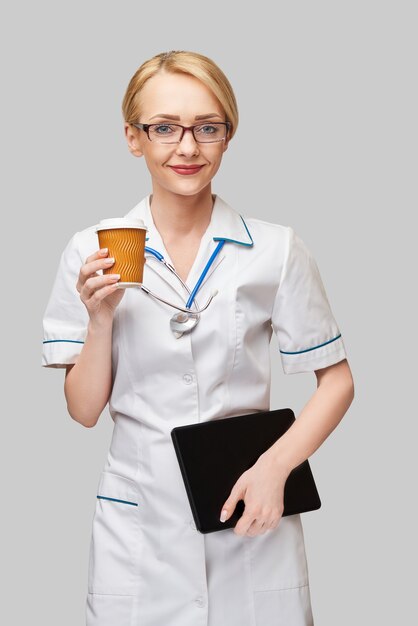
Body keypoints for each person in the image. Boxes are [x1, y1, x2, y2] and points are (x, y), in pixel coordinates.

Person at [42, 50, 355, 626]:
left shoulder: (275, 250)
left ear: (228, 136)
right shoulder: (93, 251)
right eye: (164, 128)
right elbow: (84, 411)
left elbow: (336, 381)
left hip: (249, 506)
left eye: (207, 128)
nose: (187, 148)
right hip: (140, 523)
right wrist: (101, 319)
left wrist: (275, 468)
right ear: (133, 138)